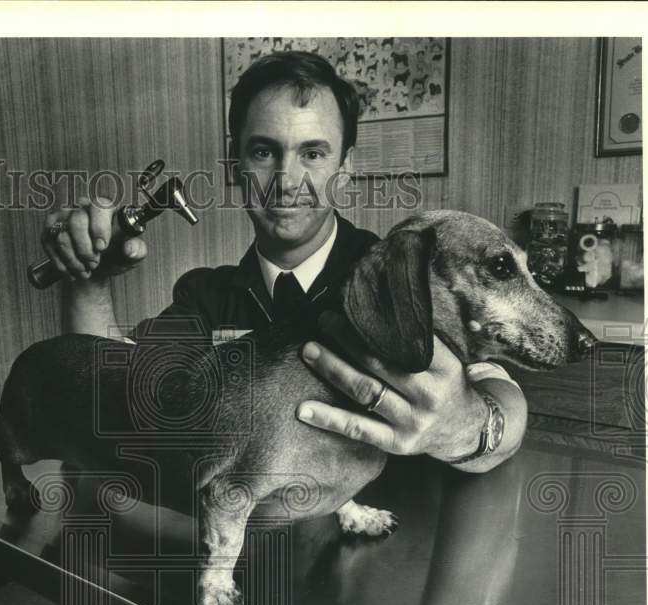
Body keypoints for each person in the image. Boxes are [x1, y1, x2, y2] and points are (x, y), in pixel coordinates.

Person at [38, 50, 527, 473]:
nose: (286, 179)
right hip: (249, 547)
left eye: (313, 152)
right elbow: (108, 392)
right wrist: (87, 279)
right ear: (236, 165)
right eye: (264, 151)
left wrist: (470, 427)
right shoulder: (206, 297)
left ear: (345, 167)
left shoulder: (401, 280)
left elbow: (499, 396)